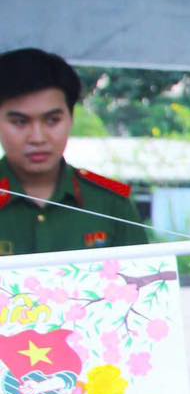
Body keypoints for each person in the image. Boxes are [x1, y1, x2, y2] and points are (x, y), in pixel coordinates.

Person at [0, 48, 146, 255]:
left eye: (52, 120)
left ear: (71, 118)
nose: (37, 138)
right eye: (20, 122)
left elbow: (142, 274)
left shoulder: (111, 203)